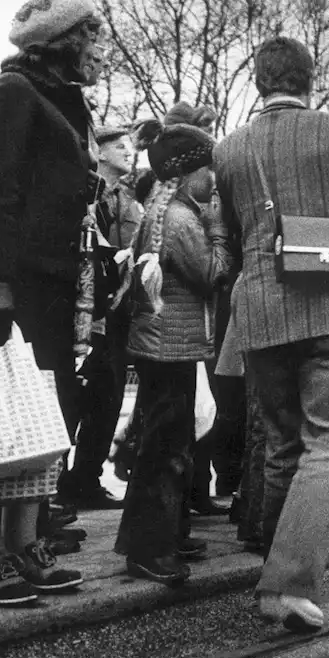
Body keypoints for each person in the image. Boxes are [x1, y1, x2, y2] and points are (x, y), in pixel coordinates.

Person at [214, 37, 329, 633]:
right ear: (309, 79)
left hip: (261, 309)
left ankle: (273, 577)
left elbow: (233, 232)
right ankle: (287, 587)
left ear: (259, 80)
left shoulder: (228, 147)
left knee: (281, 445)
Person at [0, 0, 101, 606]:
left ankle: (25, 543)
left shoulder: (61, 103)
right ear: (62, 41)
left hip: (49, 286)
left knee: (40, 418)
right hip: (5, 287)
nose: (98, 49)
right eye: (92, 36)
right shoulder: (10, 95)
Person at [115, 119, 235, 585]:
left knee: (167, 443)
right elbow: (211, 272)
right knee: (166, 449)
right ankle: (151, 549)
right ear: (188, 174)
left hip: (165, 343)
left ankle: (163, 535)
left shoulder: (166, 211)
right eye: (210, 170)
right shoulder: (184, 218)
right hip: (171, 346)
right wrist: (221, 231)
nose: (215, 180)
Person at [55, 123, 142, 511]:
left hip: (117, 316)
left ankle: (85, 480)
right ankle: (53, 485)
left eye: (131, 146)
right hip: (83, 316)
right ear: (100, 151)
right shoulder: (86, 194)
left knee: (107, 400)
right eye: (120, 146)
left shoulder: (129, 199)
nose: (129, 151)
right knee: (71, 399)